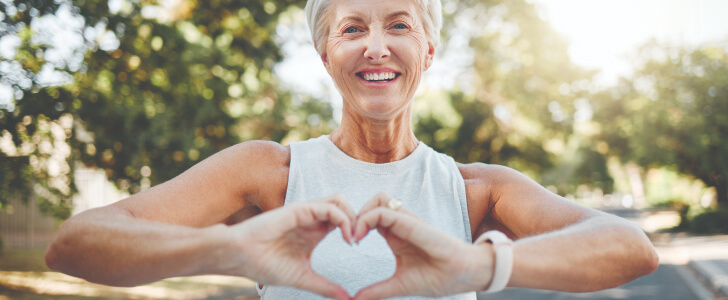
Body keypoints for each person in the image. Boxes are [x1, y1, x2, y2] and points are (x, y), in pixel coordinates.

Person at [45, 0, 659, 299]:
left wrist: (477, 266)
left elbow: (631, 249)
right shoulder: (267, 174)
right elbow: (73, 244)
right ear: (324, 56)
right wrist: (233, 249)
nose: (375, 46)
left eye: (398, 25)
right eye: (351, 28)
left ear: (428, 51)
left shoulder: (475, 190)